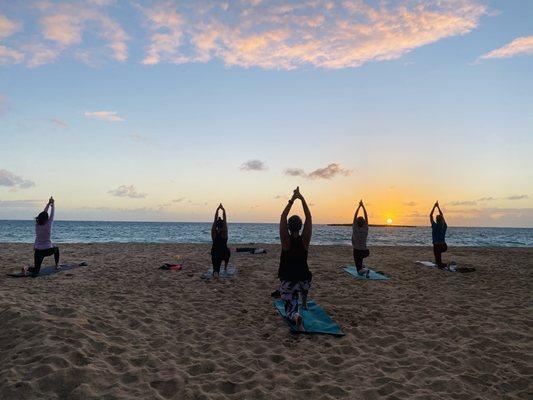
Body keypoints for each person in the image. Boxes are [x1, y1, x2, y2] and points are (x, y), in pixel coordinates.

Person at [278, 187, 312, 331]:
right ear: (301, 226)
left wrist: (292, 199)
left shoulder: (286, 241)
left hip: (289, 281)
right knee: (305, 282)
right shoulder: (305, 240)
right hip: (303, 280)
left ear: (288, 227)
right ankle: (304, 301)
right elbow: (309, 217)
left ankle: (296, 315)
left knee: (290, 309)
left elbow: (282, 217)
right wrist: (301, 198)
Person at [23, 197, 60, 276]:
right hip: (47, 250)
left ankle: (26, 268)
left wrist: (48, 204)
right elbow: (52, 214)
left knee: (36, 270)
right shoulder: (48, 224)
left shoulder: (37, 225)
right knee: (56, 249)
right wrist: (52, 204)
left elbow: (44, 213)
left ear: (39, 218)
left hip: (38, 251)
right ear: (47, 219)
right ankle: (57, 265)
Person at [211, 203, 230, 277]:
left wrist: (217, 210)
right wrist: (223, 210)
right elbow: (224, 220)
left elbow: (215, 220)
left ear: (216, 225)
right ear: (222, 225)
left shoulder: (213, 233)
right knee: (228, 251)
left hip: (215, 253)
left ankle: (216, 271)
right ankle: (225, 267)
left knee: (216, 267)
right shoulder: (224, 232)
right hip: (224, 252)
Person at [352, 199, 370, 277]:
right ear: (364, 223)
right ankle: (362, 266)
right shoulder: (365, 228)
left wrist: (359, 206)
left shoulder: (355, 228)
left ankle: (365, 270)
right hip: (365, 251)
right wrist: (363, 206)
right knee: (360, 262)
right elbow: (366, 216)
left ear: (356, 222)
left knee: (359, 271)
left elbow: (355, 215)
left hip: (357, 251)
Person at [430, 201, 448, 268]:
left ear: (436, 220)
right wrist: (438, 207)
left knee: (438, 261)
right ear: (442, 220)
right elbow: (442, 216)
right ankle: (440, 263)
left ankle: (439, 263)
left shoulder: (434, 226)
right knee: (438, 260)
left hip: (437, 246)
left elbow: (430, 215)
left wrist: (434, 207)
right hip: (444, 246)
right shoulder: (444, 226)